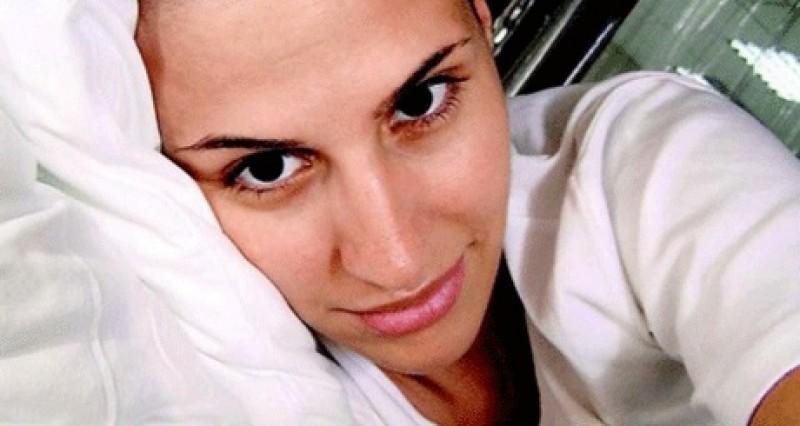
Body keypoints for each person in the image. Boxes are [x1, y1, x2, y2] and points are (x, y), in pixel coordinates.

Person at [134, 0, 800, 424]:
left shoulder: (636, 156)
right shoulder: (204, 381)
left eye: (420, 101)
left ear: (483, 24)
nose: (395, 260)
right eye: (266, 168)